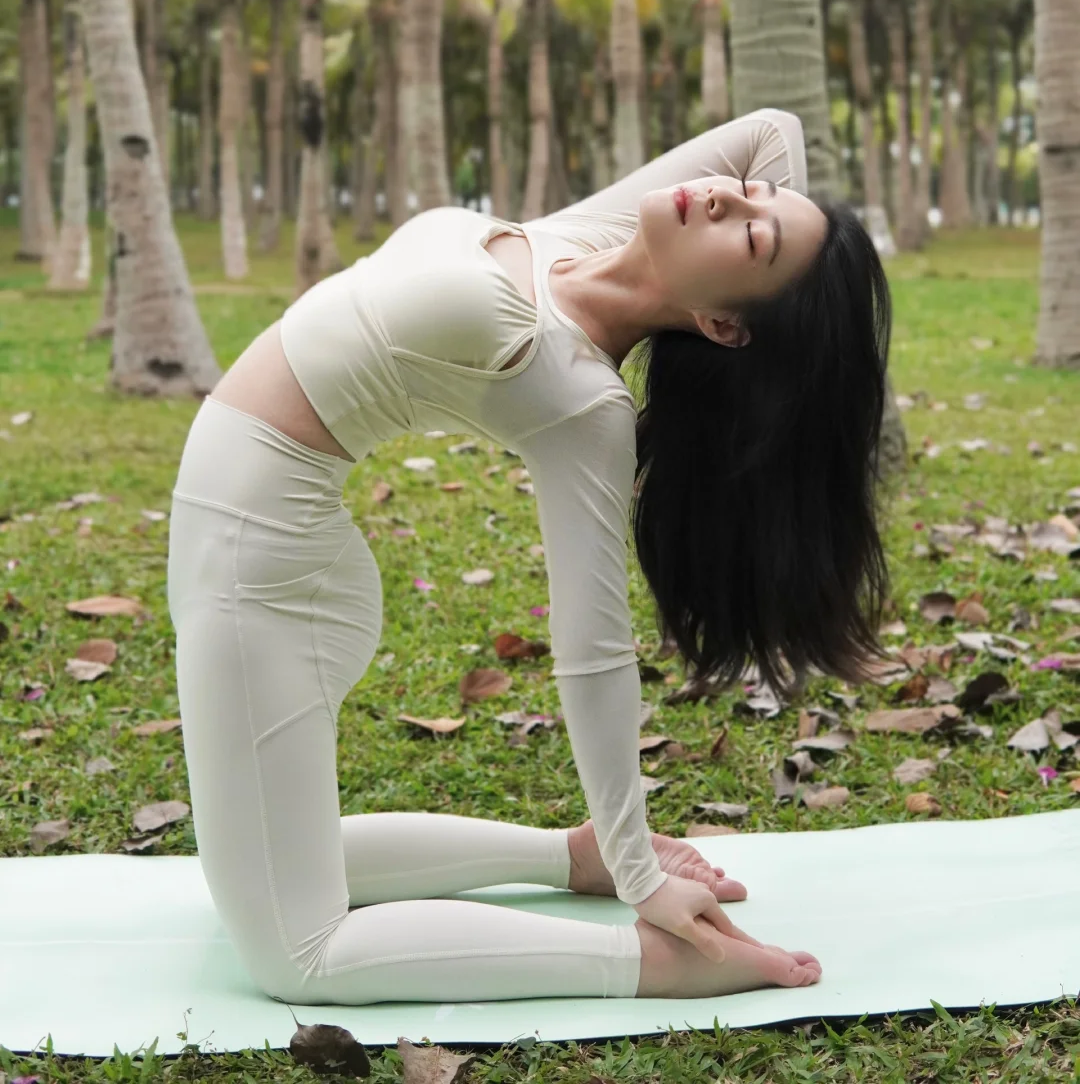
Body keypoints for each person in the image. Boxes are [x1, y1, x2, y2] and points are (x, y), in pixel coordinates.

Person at [166, 107, 891, 1008]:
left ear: (722, 326)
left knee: (293, 953)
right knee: (271, 871)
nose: (724, 196)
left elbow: (592, 653)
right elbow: (770, 130)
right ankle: (563, 857)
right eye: (748, 195)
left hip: (260, 563)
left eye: (750, 237)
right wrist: (798, 242)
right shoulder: (586, 237)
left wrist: (642, 874)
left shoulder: (581, 401)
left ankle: (649, 963)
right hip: (252, 538)